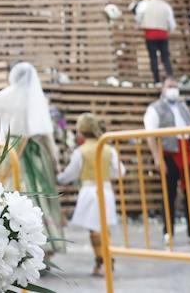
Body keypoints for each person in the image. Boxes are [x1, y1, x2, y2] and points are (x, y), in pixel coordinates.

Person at [0, 62, 66, 246]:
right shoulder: (37, 99)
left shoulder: (1, 99)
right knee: (38, 194)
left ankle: (12, 241)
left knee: (11, 192)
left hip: (11, 151)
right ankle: (45, 243)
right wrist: (56, 161)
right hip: (35, 153)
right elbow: (48, 135)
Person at [57, 113, 123, 277]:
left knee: (94, 229)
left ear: (82, 131)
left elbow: (71, 173)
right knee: (104, 228)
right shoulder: (108, 149)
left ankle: (102, 261)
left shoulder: (81, 151)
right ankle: (106, 258)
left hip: (89, 191)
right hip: (106, 190)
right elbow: (120, 171)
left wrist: (59, 178)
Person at [144, 77, 190, 243]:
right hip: (169, 152)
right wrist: (157, 158)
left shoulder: (183, 107)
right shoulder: (155, 108)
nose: (173, 89)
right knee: (169, 194)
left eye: (175, 86)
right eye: (170, 86)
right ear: (162, 88)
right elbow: (150, 135)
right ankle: (168, 232)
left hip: (186, 151)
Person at [136, 0, 177, 82]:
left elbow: (138, 17)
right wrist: (169, 30)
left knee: (153, 57)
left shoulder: (145, 4)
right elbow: (172, 24)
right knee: (165, 57)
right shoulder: (166, 6)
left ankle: (157, 80)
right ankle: (170, 77)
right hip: (163, 34)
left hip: (150, 34)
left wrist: (140, 24)